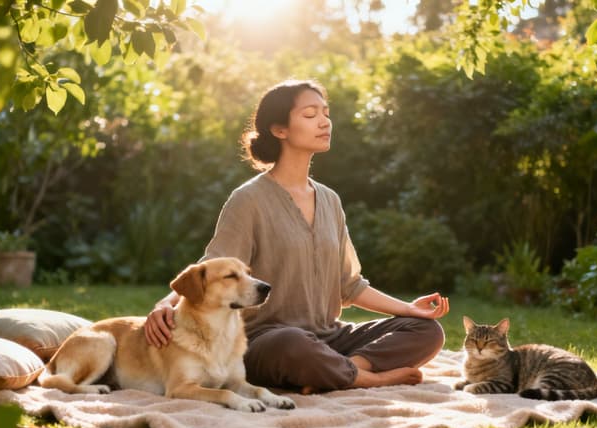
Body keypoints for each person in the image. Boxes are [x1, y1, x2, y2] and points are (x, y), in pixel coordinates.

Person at [144, 79, 449, 393]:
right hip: (269, 340)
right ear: (280, 129)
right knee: (292, 344)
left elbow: (350, 286)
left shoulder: (330, 200)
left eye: (326, 113)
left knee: (427, 331)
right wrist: (163, 306)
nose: (324, 121)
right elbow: (212, 267)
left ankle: (341, 371)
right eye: (310, 114)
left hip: (330, 338)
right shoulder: (248, 200)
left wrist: (408, 309)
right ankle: (367, 377)